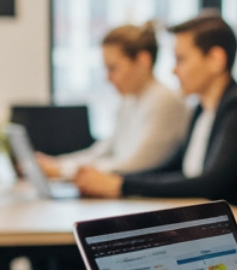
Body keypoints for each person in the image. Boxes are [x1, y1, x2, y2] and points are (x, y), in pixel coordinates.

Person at [75, 14, 237, 226]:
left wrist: (121, 185)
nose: (173, 70)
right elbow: (172, 168)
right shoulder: (202, 109)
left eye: (181, 59)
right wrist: (112, 180)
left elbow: (209, 184)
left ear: (215, 60)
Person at [37, 22, 187, 178]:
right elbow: (104, 150)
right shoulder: (129, 100)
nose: (107, 78)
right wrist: (57, 163)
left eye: (113, 68)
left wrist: (64, 171)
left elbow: (136, 164)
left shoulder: (165, 101)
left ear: (143, 61)